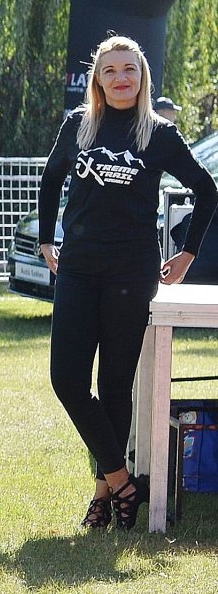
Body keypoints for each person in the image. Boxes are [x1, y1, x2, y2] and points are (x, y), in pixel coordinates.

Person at [39, 35, 217, 529]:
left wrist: (187, 253)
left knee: (115, 384)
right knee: (67, 380)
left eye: (130, 70)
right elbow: (51, 179)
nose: (121, 78)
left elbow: (206, 190)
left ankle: (104, 495)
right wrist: (47, 242)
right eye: (111, 70)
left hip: (131, 273)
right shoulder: (78, 125)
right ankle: (124, 481)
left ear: (142, 79)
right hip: (77, 268)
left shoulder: (157, 133)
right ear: (98, 78)